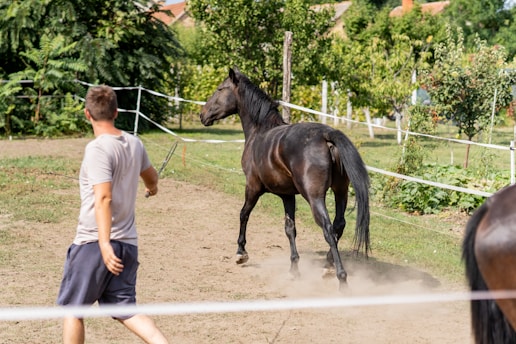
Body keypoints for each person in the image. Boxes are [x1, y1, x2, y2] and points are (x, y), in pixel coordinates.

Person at [57, 85, 168, 344]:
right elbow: (151, 177)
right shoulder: (134, 143)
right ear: (116, 112)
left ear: (87, 114)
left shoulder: (97, 149)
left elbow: (103, 198)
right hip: (127, 245)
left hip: (94, 244)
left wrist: (104, 244)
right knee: (125, 310)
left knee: (73, 310)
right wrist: (152, 188)